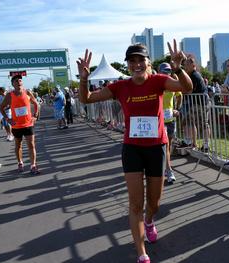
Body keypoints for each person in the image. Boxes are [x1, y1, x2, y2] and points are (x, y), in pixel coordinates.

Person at [77, 41, 192, 263]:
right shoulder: (120, 86)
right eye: (132, 61)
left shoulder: (159, 81)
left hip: (157, 147)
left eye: (141, 60)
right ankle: (141, 253)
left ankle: (149, 221)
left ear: (148, 62)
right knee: (135, 203)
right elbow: (86, 99)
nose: (137, 64)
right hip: (132, 149)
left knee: (155, 202)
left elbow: (187, 89)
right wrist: (84, 78)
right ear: (128, 64)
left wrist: (178, 69)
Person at [0, 74, 41, 175]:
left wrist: (35, 116)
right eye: (16, 81)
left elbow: (36, 104)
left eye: (20, 80)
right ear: (13, 84)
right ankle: (20, 162)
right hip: (16, 126)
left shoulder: (27, 92)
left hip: (28, 124)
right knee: (18, 146)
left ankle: (33, 165)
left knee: (31, 145)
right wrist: (7, 119)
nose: (19, 82)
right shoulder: (9, 95)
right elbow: (1, 107)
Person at [159, 62, 183, 184]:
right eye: (164, 71)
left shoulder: (173, 83)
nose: (166, 73)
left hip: (170, 119)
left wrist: (177, 109)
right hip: (159, 121)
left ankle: (165, 167)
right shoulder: (157, 84)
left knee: (169, 145)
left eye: (168, 71)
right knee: (166, 145)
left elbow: (180, 95)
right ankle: (169, 170)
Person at [182, 55, 210, 152]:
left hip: (201, 103)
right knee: (188, 121)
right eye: (184, 65)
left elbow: (189, 91)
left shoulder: (194, 75)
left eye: (186, 65)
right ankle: (192, 142)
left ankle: (205, 145)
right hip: (196, 103)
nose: (184, 67)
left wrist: (181, 91)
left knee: (202, 124)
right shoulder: (192, 75)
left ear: (193, 65)